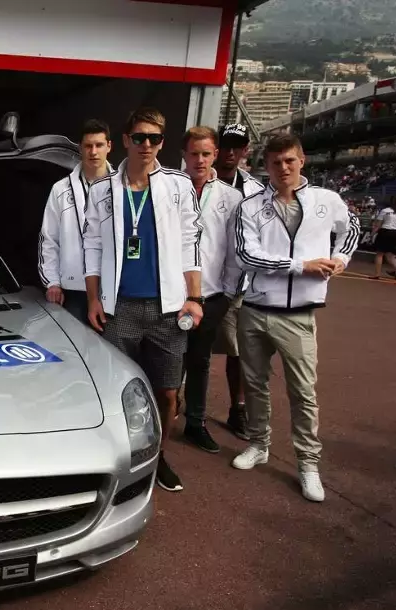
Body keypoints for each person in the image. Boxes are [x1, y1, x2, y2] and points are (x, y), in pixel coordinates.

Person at [232, 133, 360, 503]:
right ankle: (259, 444)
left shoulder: (326, 200)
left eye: (289, 161)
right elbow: (247, 256)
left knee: (303, 391)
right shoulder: (251, 206)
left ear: (301, 160)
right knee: (254, 385)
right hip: (255, 309)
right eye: (275, 163)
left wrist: (341, 259)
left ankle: (308, 463)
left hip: (300, 315)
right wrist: (299, 266)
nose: (283, 168)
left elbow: (350, 228)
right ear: (266, 166)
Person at [83, 107, 203, 493]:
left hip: (167, 308)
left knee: (167, 392)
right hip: (119, 308)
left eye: (154, 138)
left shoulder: (178, 185)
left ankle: (159, 456)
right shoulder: (103, 189)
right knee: (118, 389)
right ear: (126, 141)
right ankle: (122, 459)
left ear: (162, 143)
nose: (146, 145)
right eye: (139, 137)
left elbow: (190, 242)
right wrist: (93, 299)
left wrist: (195, 297)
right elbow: (92, 245)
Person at [179, 126, 244, 454]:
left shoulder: (232, 197)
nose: (200, 160)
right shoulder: (169, 188)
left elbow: (234, 251)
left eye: (206, 154)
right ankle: (162, 419)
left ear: (215, 155)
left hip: (212, 296)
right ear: (184, 155)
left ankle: (196, 423)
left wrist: (228, 295)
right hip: (172, 296)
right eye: (194, 154)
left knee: (200, 361)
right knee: (167, 361)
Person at [212, 122, 264, 438]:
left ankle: (238, 410)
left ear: (245, 150)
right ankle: (183, 406)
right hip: (205, 281)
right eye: (226, 145)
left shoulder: (257, 190)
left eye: (237, 146)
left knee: (240, 351)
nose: (231, 152)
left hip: (243, 285)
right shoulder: (196, 180)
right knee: (193, 348)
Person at [38, 119, 114, 324]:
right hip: (72, 289)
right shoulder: (60, 189)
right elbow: (49, 239)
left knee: (108, 353)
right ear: (80, 148)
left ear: (109, 146)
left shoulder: (122, 188)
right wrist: (53, 282)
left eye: (99, 145)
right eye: (88, 146)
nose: (94, 151)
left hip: (111, 289)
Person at [370, 195, 396, 279]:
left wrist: (372, 234)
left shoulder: (385, 211)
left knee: (379, 254)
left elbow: (378, 225)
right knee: (390, 254)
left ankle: (377, 274)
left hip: (385, 232)